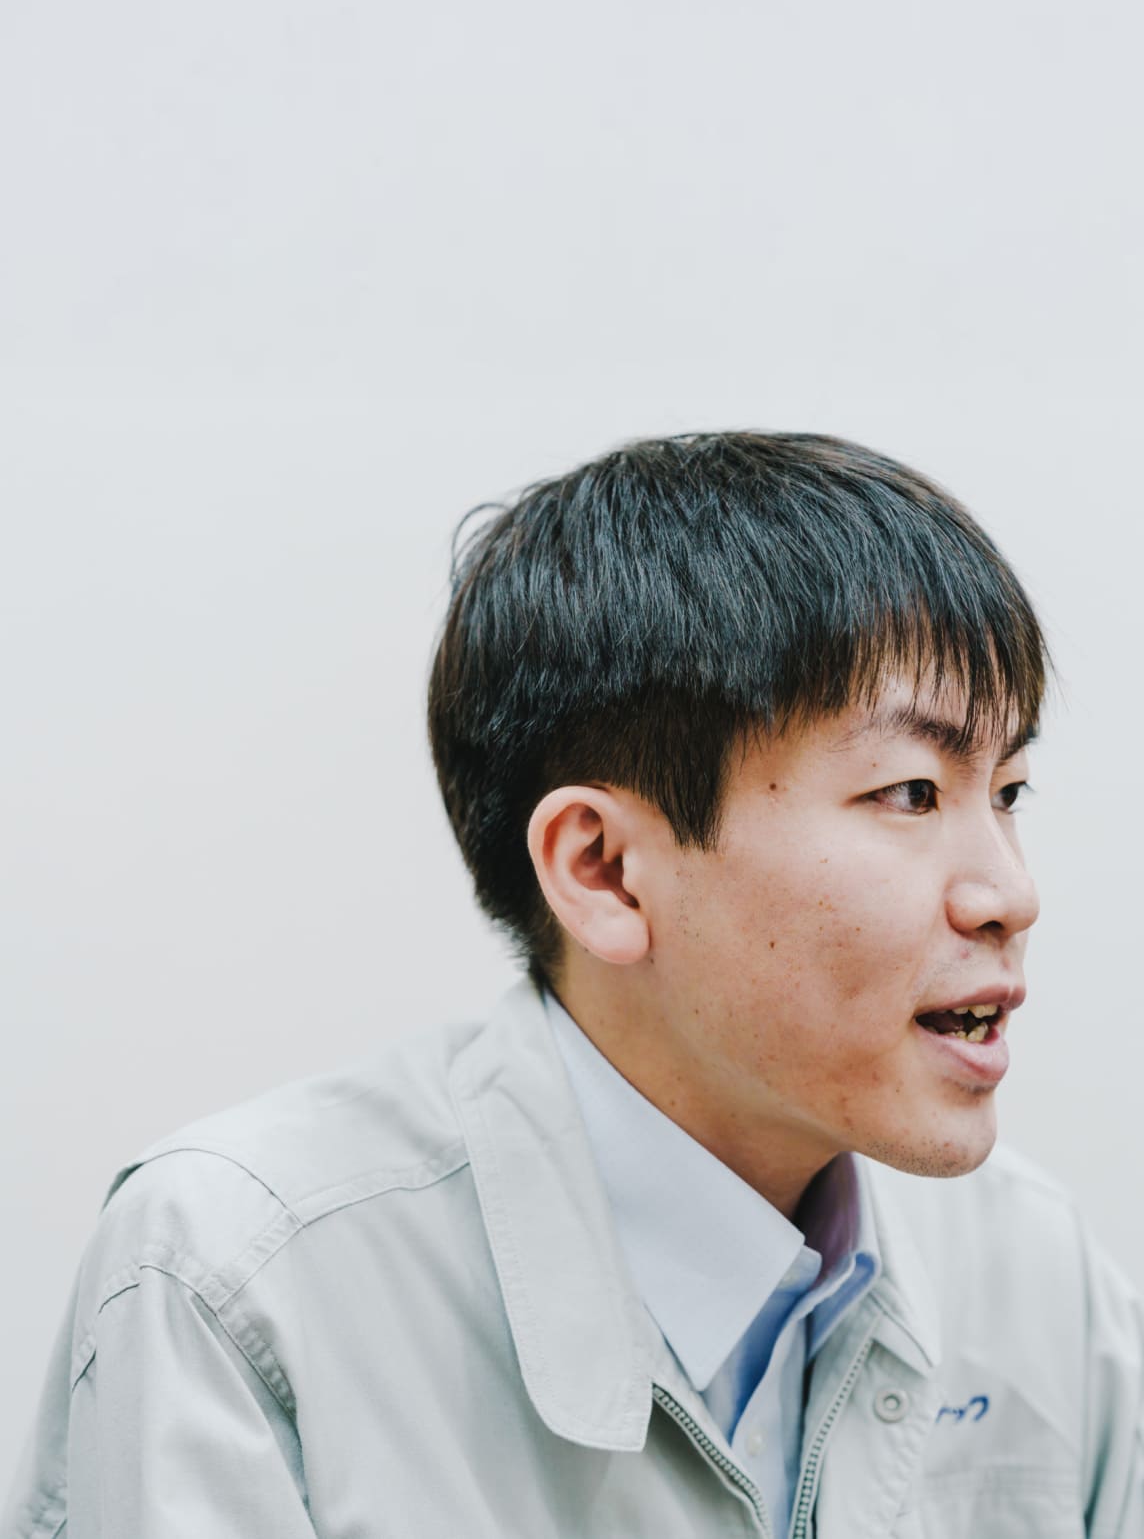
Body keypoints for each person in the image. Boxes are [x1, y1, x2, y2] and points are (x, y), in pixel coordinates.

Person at [4, 430, 1141, 1539]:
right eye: (908, 793)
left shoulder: (1029, 1267)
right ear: (602, 870)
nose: (1010, 893)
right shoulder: (236, 1280)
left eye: (1007, 791)